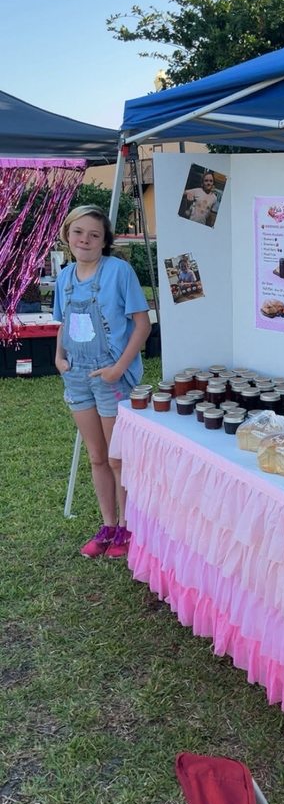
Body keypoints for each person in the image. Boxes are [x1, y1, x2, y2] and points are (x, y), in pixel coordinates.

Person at [53, 206, 151, 559]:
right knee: (96, 456)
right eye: (78, 232)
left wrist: (117, 369)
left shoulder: (119, 271)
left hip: (111, 376)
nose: (85, 240)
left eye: (94, 235)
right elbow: (63, 322)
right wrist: (58, 357)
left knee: (117, 458)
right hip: (76, 376)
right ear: (67, 235)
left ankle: (128, 526)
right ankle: (108, 524)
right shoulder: (64, 277)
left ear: (105, 241)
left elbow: (142, 326)